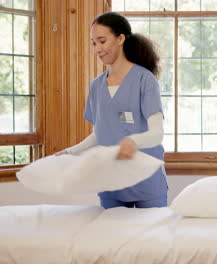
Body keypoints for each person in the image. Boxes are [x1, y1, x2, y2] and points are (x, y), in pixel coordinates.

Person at [55, 12, 168, 209]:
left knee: (149, 238)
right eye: (93, 43)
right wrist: (70, 152)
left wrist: (134, 141)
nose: (97, 49)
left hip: (145, 180)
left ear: (121, 39)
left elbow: (157, 134)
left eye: (102, 41)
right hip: (111, 182)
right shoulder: (96, 86)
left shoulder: (144, 80)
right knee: (111, 239)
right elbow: (101, 134)